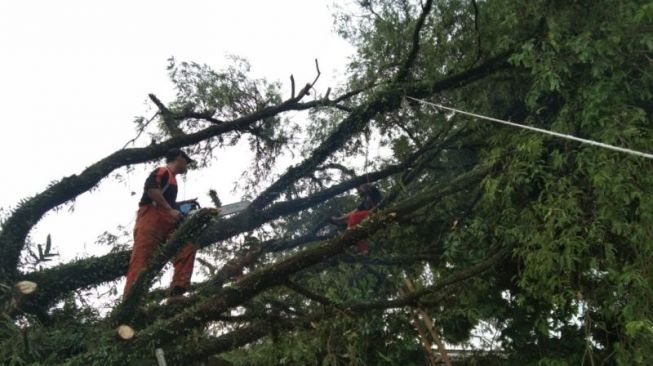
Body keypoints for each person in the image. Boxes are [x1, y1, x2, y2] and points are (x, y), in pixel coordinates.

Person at [123, 148, 198, 299]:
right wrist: (170, 209)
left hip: (166, 221)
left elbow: (167, 204)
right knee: (142, 258)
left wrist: (183, 205)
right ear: (179, 158)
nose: (187, 165)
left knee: (186, 246)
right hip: (150, 217)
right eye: (186, 161)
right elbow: (151, 190)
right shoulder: (163, 171)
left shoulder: (174, 180)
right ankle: (131, 299)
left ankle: (177, 290)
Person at [331, 183, 383, 254]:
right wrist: (339, 219)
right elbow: (353, 212)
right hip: (368, 216)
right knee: (354, 227)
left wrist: (362, 186)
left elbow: (371, 188)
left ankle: (350, 233)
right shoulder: (364, 203)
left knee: (353, 218)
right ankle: (363, 248)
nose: (358, 191)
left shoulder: (373, 192)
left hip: (375, 213)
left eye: (359, 189)